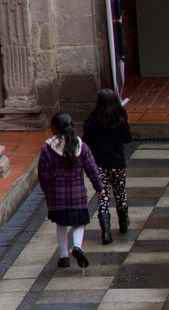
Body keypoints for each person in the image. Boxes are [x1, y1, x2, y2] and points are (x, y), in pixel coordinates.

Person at [38, 112, 105, 271]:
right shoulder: (81, 146)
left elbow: (43, 173)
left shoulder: (48, 148)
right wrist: (99, 187)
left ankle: (63, 257)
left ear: (54, 128)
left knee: (60, 224)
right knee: (78, 222)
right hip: (77, 194)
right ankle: (76, 246)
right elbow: (92, 168)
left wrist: (47, 191)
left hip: (56, 195)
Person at [83, 88, 132, 243]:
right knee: (120, 192)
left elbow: (87, 142)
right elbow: (127, 138)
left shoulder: (91, 122)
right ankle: (123, 223)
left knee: (102, 196)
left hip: (100, 164)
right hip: (117, 163)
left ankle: (105, 232)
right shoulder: (120, 119)